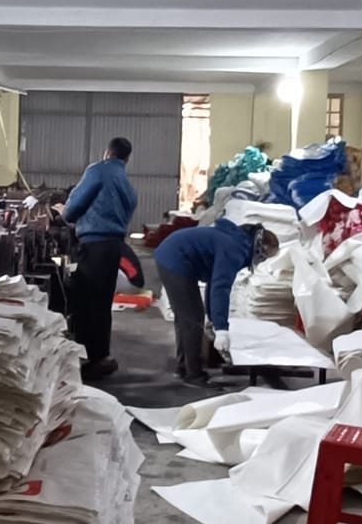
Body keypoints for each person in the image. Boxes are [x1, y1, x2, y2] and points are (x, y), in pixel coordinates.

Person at [153, 219, 267, 384]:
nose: (262, 260)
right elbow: (221, 288)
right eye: (265, 256)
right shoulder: (234, 249)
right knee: (192, 318)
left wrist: (213, 318)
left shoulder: (236, 242)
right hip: (175, 260)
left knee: (187, 317)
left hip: (171, 254)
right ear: (260, 248)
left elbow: (213, 283)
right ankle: (193, 374)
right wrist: (221, 329)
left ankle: (184, 367)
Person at [62, 136, 137, 379]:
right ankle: (100, 355)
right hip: (114, 246)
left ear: (107, 153)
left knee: (87, 303)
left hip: (94, 246)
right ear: (127, 158)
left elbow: (75, 205)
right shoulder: (127, 185)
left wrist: (64, 214)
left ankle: (89, 359)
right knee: (102, 304)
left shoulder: (98, 171)